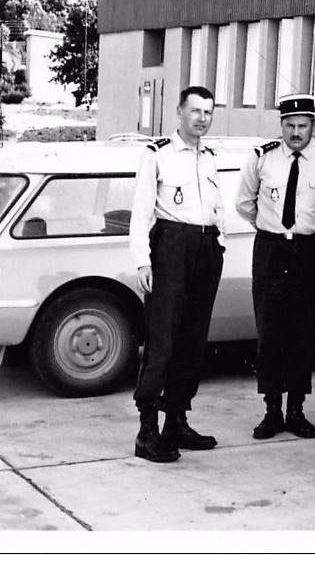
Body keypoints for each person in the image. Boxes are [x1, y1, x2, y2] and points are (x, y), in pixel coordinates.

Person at [236, 94, 315, 440]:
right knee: (269, 330)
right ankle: (271, 410)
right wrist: (273, 229)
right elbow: (244, 203)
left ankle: (297, 409)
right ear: (280, 125)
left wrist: (308, 233)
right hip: (270, 250)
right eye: (290, 125)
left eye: (303, 125)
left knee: (302, 330)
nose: (296, 132)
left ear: (313, 126)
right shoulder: (261, 159)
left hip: (310, 251)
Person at [129, 86, 225, 463]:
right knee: (163, 340)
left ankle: (177, 422)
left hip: (205, 248)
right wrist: (143, 261)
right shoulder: (158, 155)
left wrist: (220, 246)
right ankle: (147, 431)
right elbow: (140, 213)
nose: (202, 118)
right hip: (170, 245)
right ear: (179, 112)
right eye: (195, 110)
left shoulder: (210, 157)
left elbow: (216, 208)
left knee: (193, 340)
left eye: (208, 112)